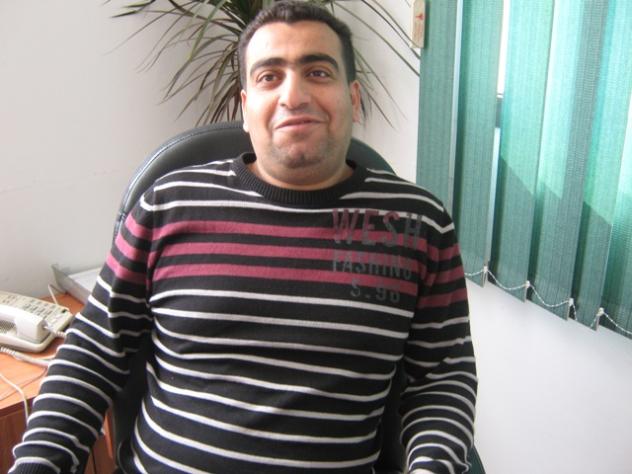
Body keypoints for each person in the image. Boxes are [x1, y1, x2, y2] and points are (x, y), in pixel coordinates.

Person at [10, 2, 477, 473]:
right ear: (246, 107)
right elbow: (92, 352)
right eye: (269, 77)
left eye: (317, 72)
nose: (294, 95)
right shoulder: (168, 204)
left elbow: (442, 378)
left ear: (353, 97)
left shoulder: (417, 224)